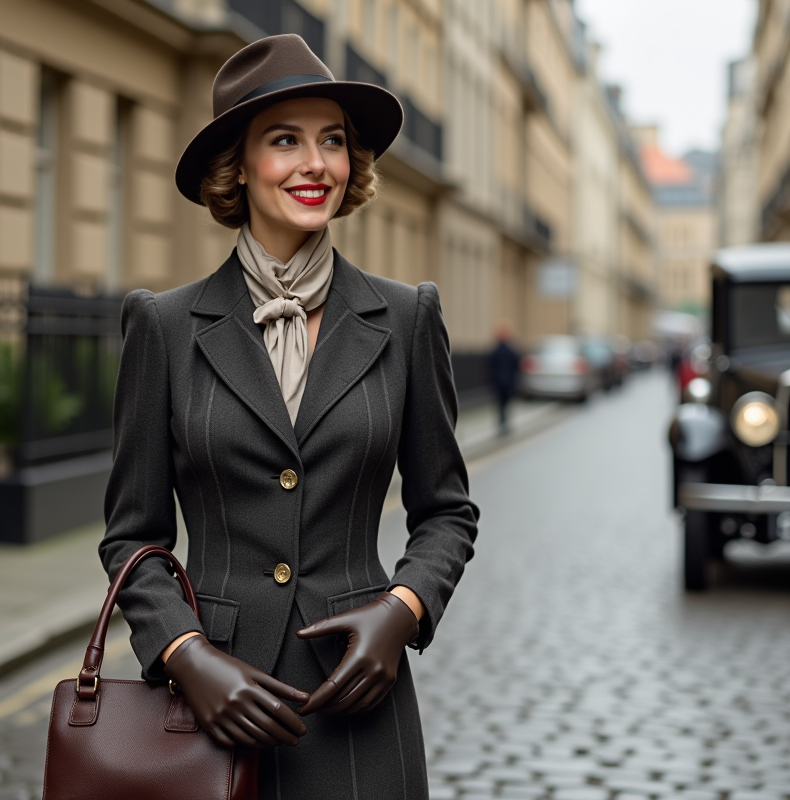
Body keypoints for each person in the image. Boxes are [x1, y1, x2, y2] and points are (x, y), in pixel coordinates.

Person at [99, 35, 479, 799]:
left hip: (357, 702)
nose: (316, 164)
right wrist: (183, 652)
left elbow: (447, 513)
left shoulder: (405, 318)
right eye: (285, 141)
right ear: (236, 166)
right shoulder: (165, 327)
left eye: (332, 141)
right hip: (210, 709)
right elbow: (132, 537)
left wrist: (401, 613)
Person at [488, 321, 521, 436]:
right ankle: (505, 424)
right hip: (508, 381)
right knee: (506, 403)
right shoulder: (512, 351)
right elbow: (516, 366)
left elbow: (490, 367)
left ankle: (502, 424)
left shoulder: (495, 351)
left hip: (499, 381)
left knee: (500, 404)